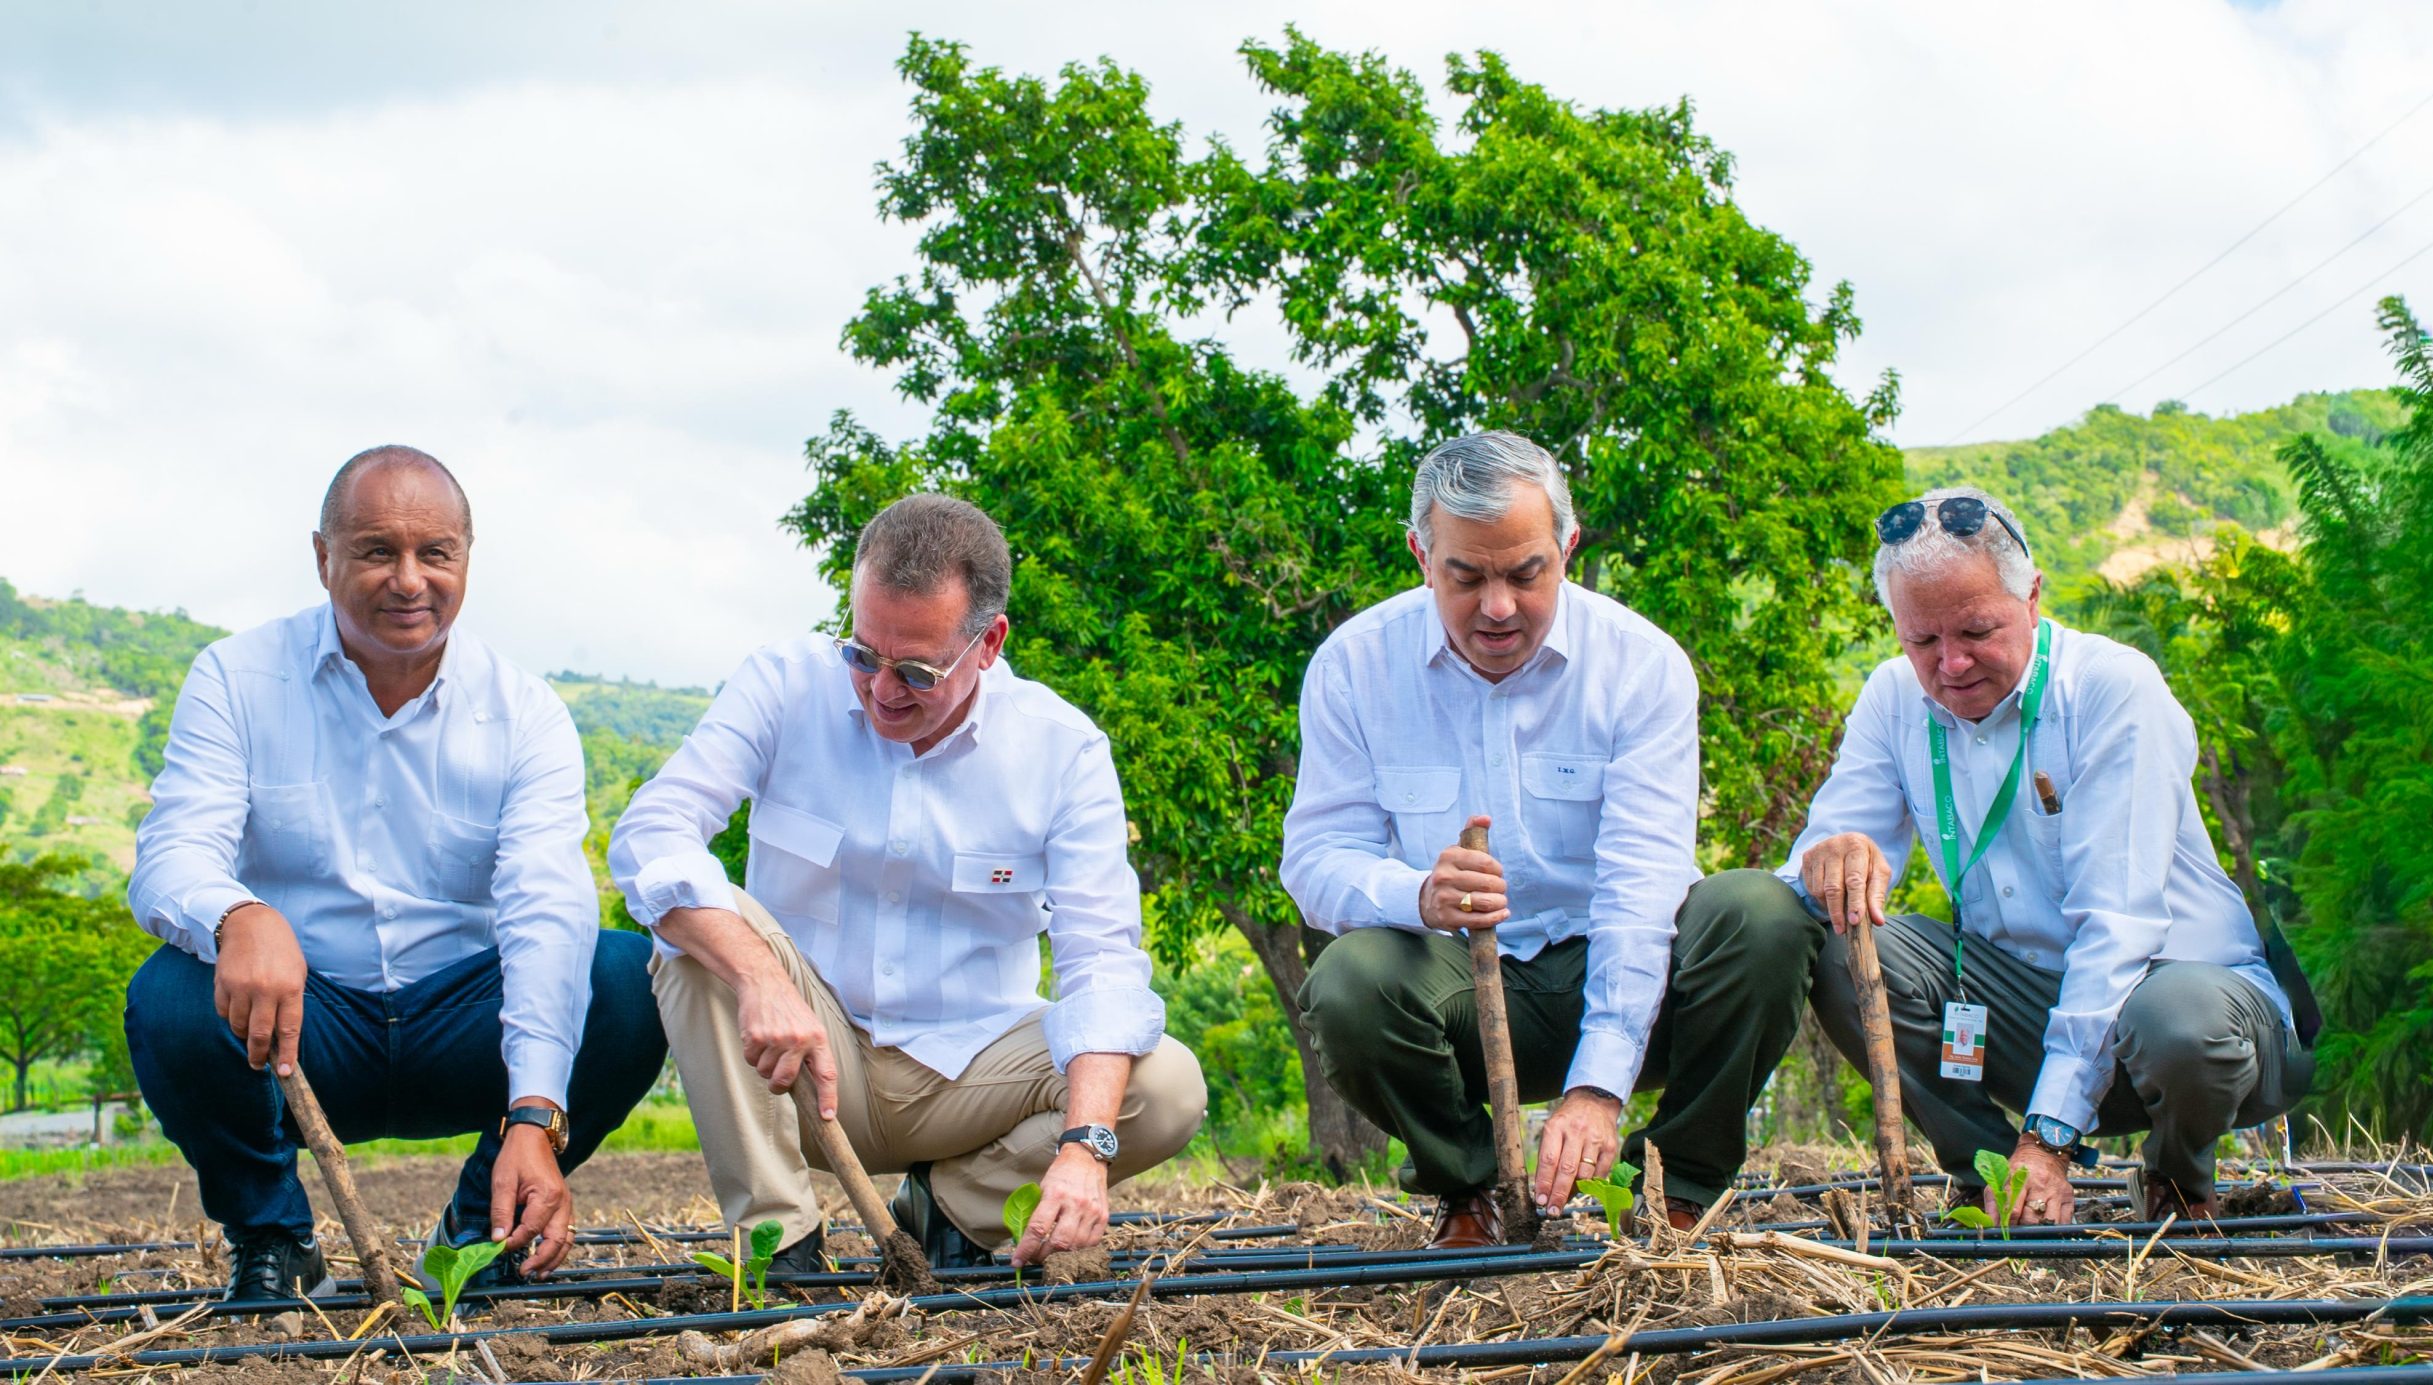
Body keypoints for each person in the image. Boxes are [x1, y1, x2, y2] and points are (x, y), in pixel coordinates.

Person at [610, 494, 1206, 1272]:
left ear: (989, 643)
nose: (882, 689)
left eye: (918, 670)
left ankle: (956, 1209)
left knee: (1163, 1086)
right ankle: (778, 1242)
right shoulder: (784, 684)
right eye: (862, 654)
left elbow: (1100, 960)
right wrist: (758, 974)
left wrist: (1085, 1146)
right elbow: (651, 835)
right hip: (805, 1061)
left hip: (973, 1070)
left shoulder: (1062, 750)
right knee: (700, 927)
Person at [125, 446, 667, 1301]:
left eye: (435, 553)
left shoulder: (524, 712)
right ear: (323, 557)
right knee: (169, 998)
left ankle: (477, 1236)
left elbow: (543, 914)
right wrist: (238, 914)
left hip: (462, 1022)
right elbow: (170, 856)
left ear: (466, 558)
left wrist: (535, 1115)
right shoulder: (235, 678)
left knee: (626, 980)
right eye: (377, 550)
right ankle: (273, 1239)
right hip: (304, 1026)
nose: (408, 579)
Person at [1282, 431, 1826, 1249]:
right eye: (1466, 576)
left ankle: (1675, 1185)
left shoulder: (1643, 665)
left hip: (1626, 984)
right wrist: (1418, 895)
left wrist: (1599, 1089)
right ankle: (1472, 1190)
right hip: (1459, 985)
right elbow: (1317, 858)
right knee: (1349, 978)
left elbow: (1642, 892)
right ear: (1420, 555)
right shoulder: (1353, 665)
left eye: (1525, 573)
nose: (1497, 606)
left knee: (1765, 914)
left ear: (1567, 547)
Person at [1747, 486, 2313, 1223]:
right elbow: (1822, 857)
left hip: (2191, 1014)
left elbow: (2120, 929)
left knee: (2179, 1023)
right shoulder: (1893, 699)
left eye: (1977, 630)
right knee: (1837, 937)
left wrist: (2050, 1135)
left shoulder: (2111, 688)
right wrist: (1833, 853)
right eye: (1922, 641)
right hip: (2029, 1013)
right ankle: (1989, 1171)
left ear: (2034, 597)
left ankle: (2176, 1176)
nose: (1950, 663)